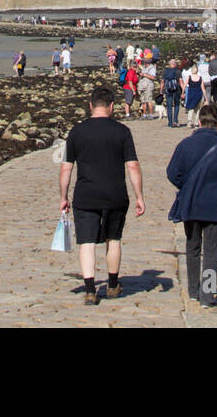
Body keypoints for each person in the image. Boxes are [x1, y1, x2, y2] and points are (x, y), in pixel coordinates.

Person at [60, 85, 145, 306]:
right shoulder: (122, 131)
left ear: (90, 105)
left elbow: (66, 168)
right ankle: (113, 284)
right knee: (113, 239)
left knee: (86, 242)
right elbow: (133, 166)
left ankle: (90, 289)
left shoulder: (77, 132)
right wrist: (139, 196)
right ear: (111, 106)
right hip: (115, 194)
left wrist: (63, 196)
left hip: (85, 194)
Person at [167, 103, 217, 308]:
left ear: (199, 122)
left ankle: (193, 291)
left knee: (192, 248)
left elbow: (172, 174)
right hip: (214, 206)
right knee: (210, 251)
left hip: (190, 204)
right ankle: (207, 295)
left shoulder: (185, 145)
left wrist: (187, 185)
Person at [182, 63, 205, 128]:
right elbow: (203, 88)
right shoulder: (200, 78)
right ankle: (196, 122)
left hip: (191, 93)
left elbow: (185, 85)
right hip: (198, 93)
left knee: (190, 108)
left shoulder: (189, 77)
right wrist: (205, 97)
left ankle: (189, 122)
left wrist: (182, 92)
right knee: (197, 109)